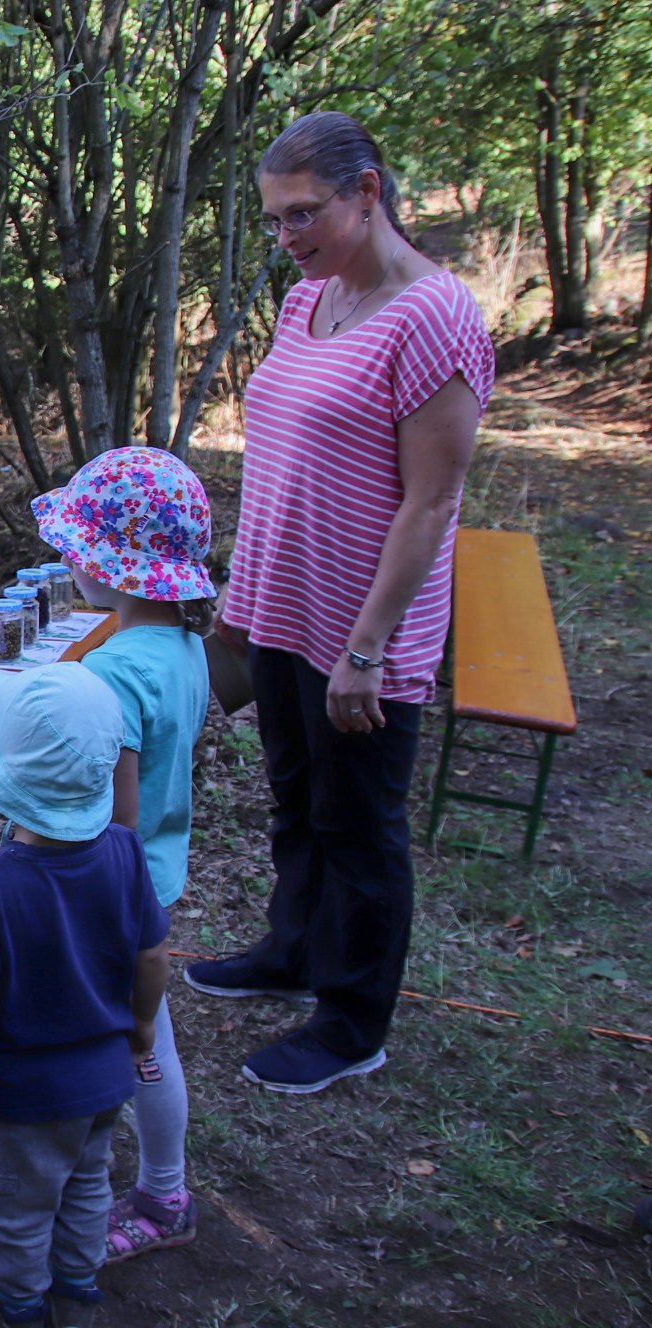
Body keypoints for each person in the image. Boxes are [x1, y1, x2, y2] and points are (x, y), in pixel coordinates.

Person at [185, 111, 496, 1093]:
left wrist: (368, 648)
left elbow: (432, 498)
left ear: (370, 189)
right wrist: (241, 591)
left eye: (305, 214)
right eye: (276, 220)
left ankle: (354, 1017)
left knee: (361, 827)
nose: (289, 237)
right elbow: (281, 458)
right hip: (281, 605)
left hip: (364, 625)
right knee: (297, 798)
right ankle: (291, 948)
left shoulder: (435, 315)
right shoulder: (303, 301)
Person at [0, 665, 170, 1328]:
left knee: (18, 1208)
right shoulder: (124, 851)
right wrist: (143, 1028)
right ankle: (77, 1295)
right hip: (105, 1079)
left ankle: (17, 1308)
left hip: (24, 1094)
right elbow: (152, 956)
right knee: (89, 1186)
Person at [33, 447, 213, 1265]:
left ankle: (157, 1191)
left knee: (141, 1046)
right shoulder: (181, 647)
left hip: (105, 889)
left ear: (115, 568)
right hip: (153, 878)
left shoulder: (114, 670)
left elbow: (115, 814)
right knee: (147, 1037)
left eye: (79, 548)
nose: (69, 561)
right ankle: (138, 1180)